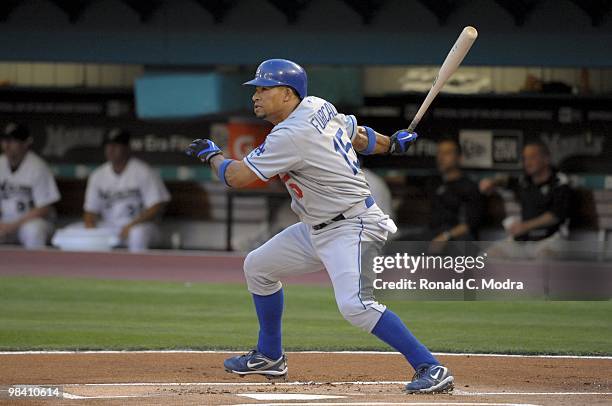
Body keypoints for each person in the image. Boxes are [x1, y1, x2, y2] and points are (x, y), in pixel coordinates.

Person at [185, 59, 454, 394]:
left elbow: (237, 176)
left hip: (352, 225)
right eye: (256, 89)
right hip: (317, 227)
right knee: (258, 266)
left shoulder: (291, 134)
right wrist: (392, 143)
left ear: (287, 94)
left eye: (264, 88)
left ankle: (431, 366)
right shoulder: (318, 106)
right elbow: (357, 136)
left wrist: (211, 155)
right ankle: (270, 356)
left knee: (356, 306)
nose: (256, 95)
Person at [479, 140, 571, 258]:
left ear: (546, 159)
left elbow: (556, 215)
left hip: (550, 239)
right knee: (486, 257)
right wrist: (492, 182)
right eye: (525, 158)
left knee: (544, 261)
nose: (527, 163)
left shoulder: (559, 181)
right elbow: (506, 180)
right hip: (523, 240)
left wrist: (525, 226)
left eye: (532, 157)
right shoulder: (525, 180)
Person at [83, 128, 170, 252]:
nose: (111, 149)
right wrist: (90, 229)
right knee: (77, 232)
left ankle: (137, 270)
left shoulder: (143, 171)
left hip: (141, 226)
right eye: (108, 145)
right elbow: (90, 211)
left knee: (137, 233)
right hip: (110, 227)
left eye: (116, 145)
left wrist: (131, 225)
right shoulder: (97, 175)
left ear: (127, 148)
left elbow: (157, 206)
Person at [0, 122, 60, 249]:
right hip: (4, 223)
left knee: (33, 230)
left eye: (13, 140)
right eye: (5, 140)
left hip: (31, 222)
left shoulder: (38, 167)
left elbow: (44, 209)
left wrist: (12, 226)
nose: (7, 145)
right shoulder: (0, 164)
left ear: (26, 143)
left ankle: (35, 268)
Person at [428, 137, 484, 242]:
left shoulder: (469, 187)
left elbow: (469, 224)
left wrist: (446, 236)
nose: (441, 157)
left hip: (457, 239)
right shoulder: (435, 182)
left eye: (446, 153)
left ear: (459, 157)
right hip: (433, 235)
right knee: (396, 245)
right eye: (439, 153)